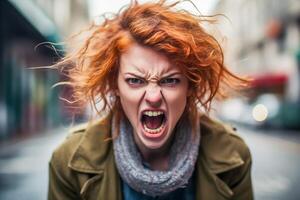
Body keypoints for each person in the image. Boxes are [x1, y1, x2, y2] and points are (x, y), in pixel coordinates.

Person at [48, 1, 253, 199]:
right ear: (115, 85)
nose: (154, 97)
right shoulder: (69, 162)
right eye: (135, 80)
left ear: (189, 87)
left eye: (170, 80)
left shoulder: (233, 157)